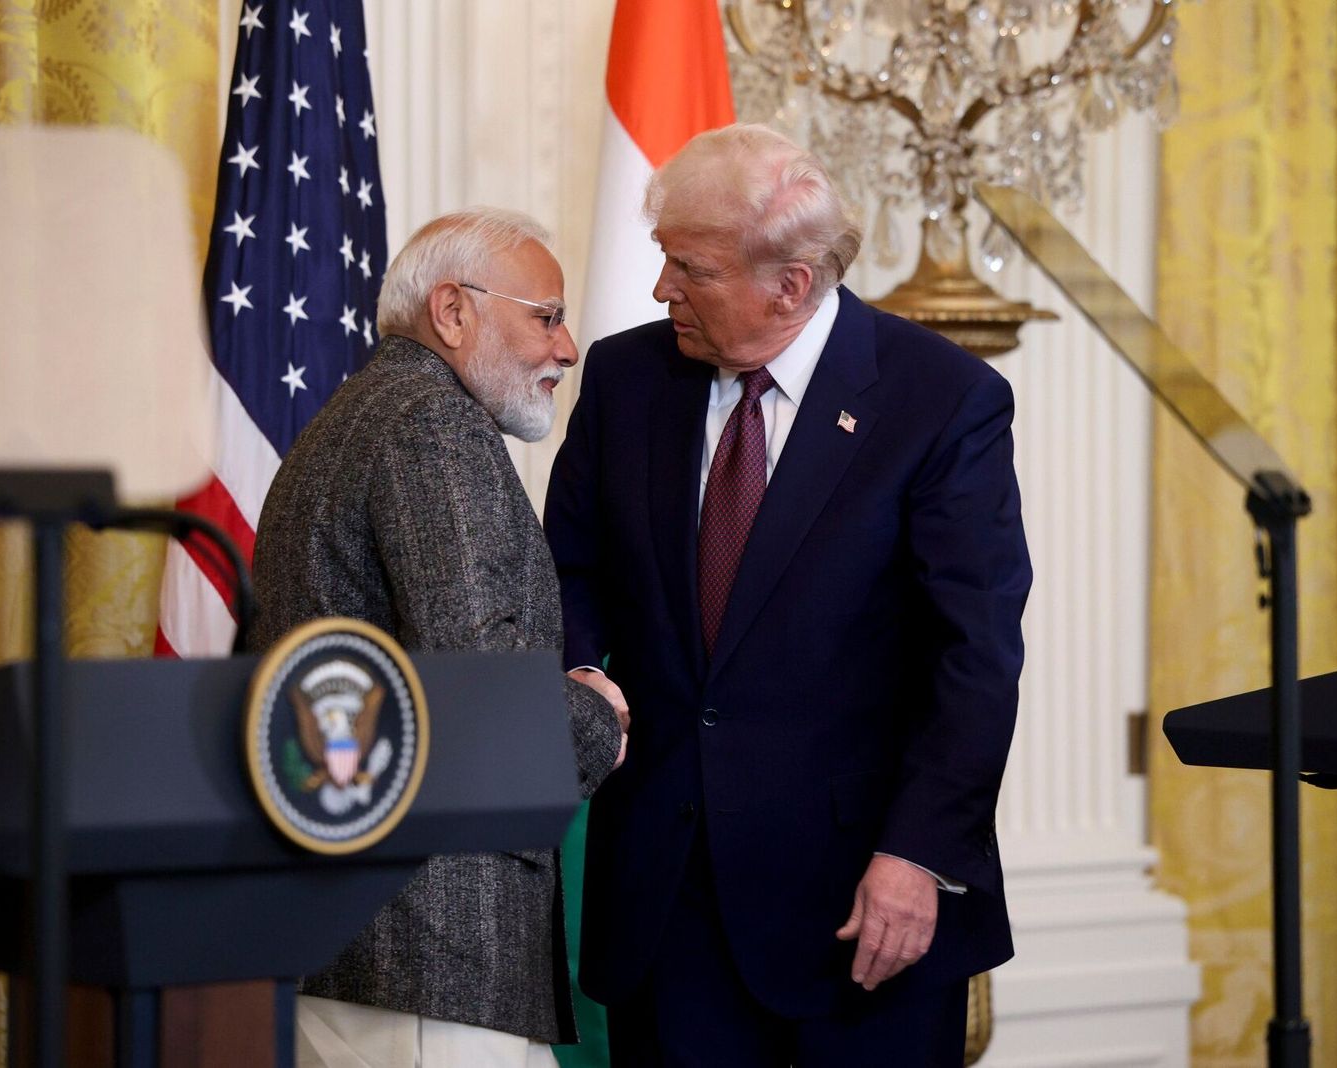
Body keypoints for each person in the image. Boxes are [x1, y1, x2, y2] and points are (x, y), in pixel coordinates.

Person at [544, 124, 1031, 1066]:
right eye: (662, 259)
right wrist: (576, 672)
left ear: (791, 284)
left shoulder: (941, 400)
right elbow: (570, 567)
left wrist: (920, 854)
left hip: (861, 906)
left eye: (691, 268)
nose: (661, 290)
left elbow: (972, 655)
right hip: (667, 901)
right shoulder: (627, 380)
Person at [249, 207, 626, 1068]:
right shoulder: (429, 423)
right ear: (453, 312)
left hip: (365, 940)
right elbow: (478, 679)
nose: (567, 349)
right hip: (432, 947)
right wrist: (599, 718)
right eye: (547, 315)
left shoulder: (360, 415)